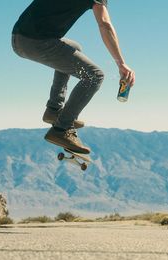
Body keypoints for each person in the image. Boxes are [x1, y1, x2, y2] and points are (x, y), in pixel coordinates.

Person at [12, 0, 135, 154]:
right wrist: (121, 63)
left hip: (18, 38)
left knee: (74, 48)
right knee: (94, 76)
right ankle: (62, 129)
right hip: (35, 41)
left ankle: (54, 110)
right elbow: (105, 25)